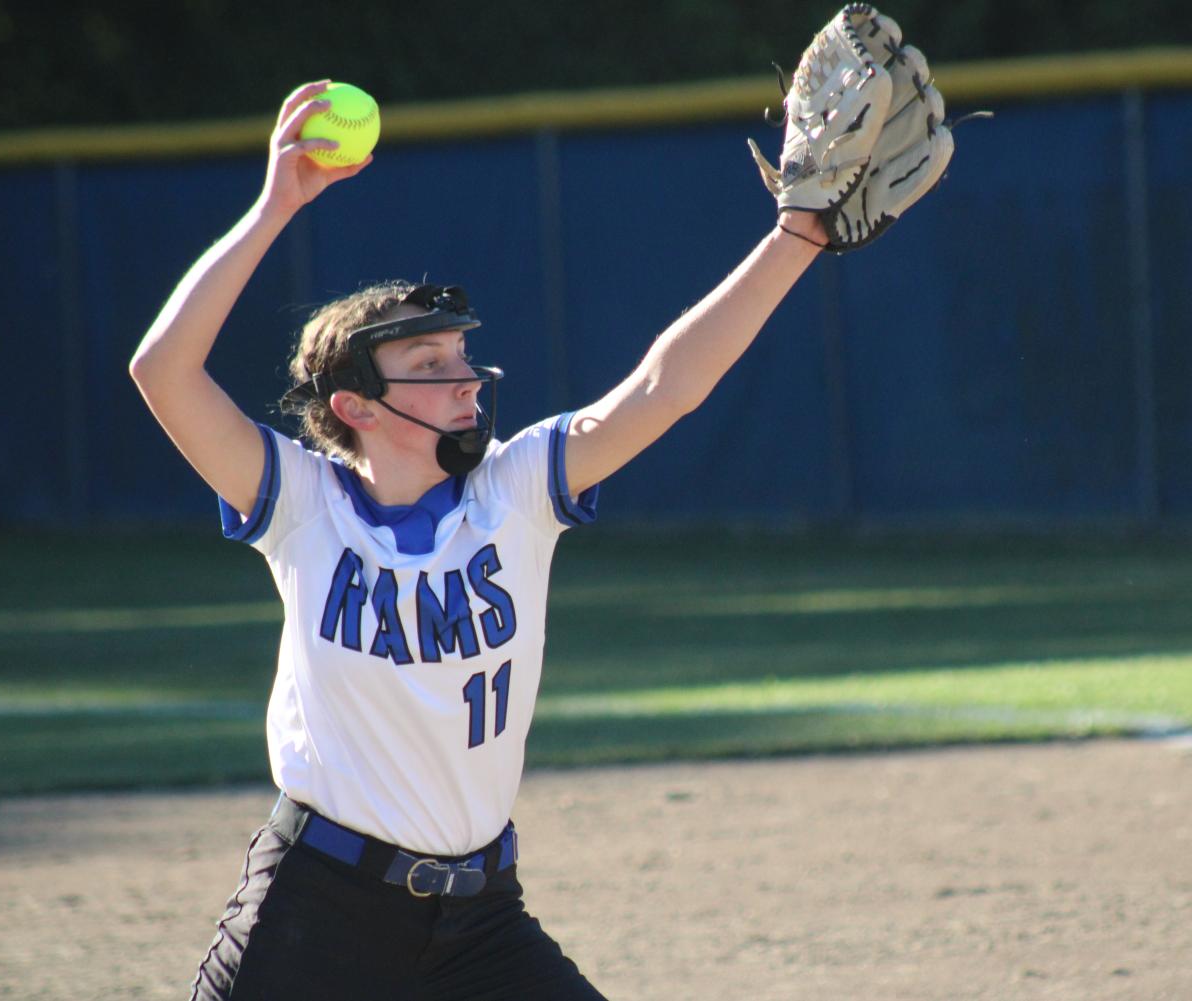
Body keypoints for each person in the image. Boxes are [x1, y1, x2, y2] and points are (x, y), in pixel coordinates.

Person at [130, 80, 839, 1000]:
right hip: (316, 917)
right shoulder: (304, 503)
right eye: (428, 365)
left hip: (480, 919)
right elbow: (162, 370)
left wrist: (798, 237)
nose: (463, 377)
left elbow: (668, 385)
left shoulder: (513, 489)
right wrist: (277, 206)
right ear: (354, 406)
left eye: (461, 355)